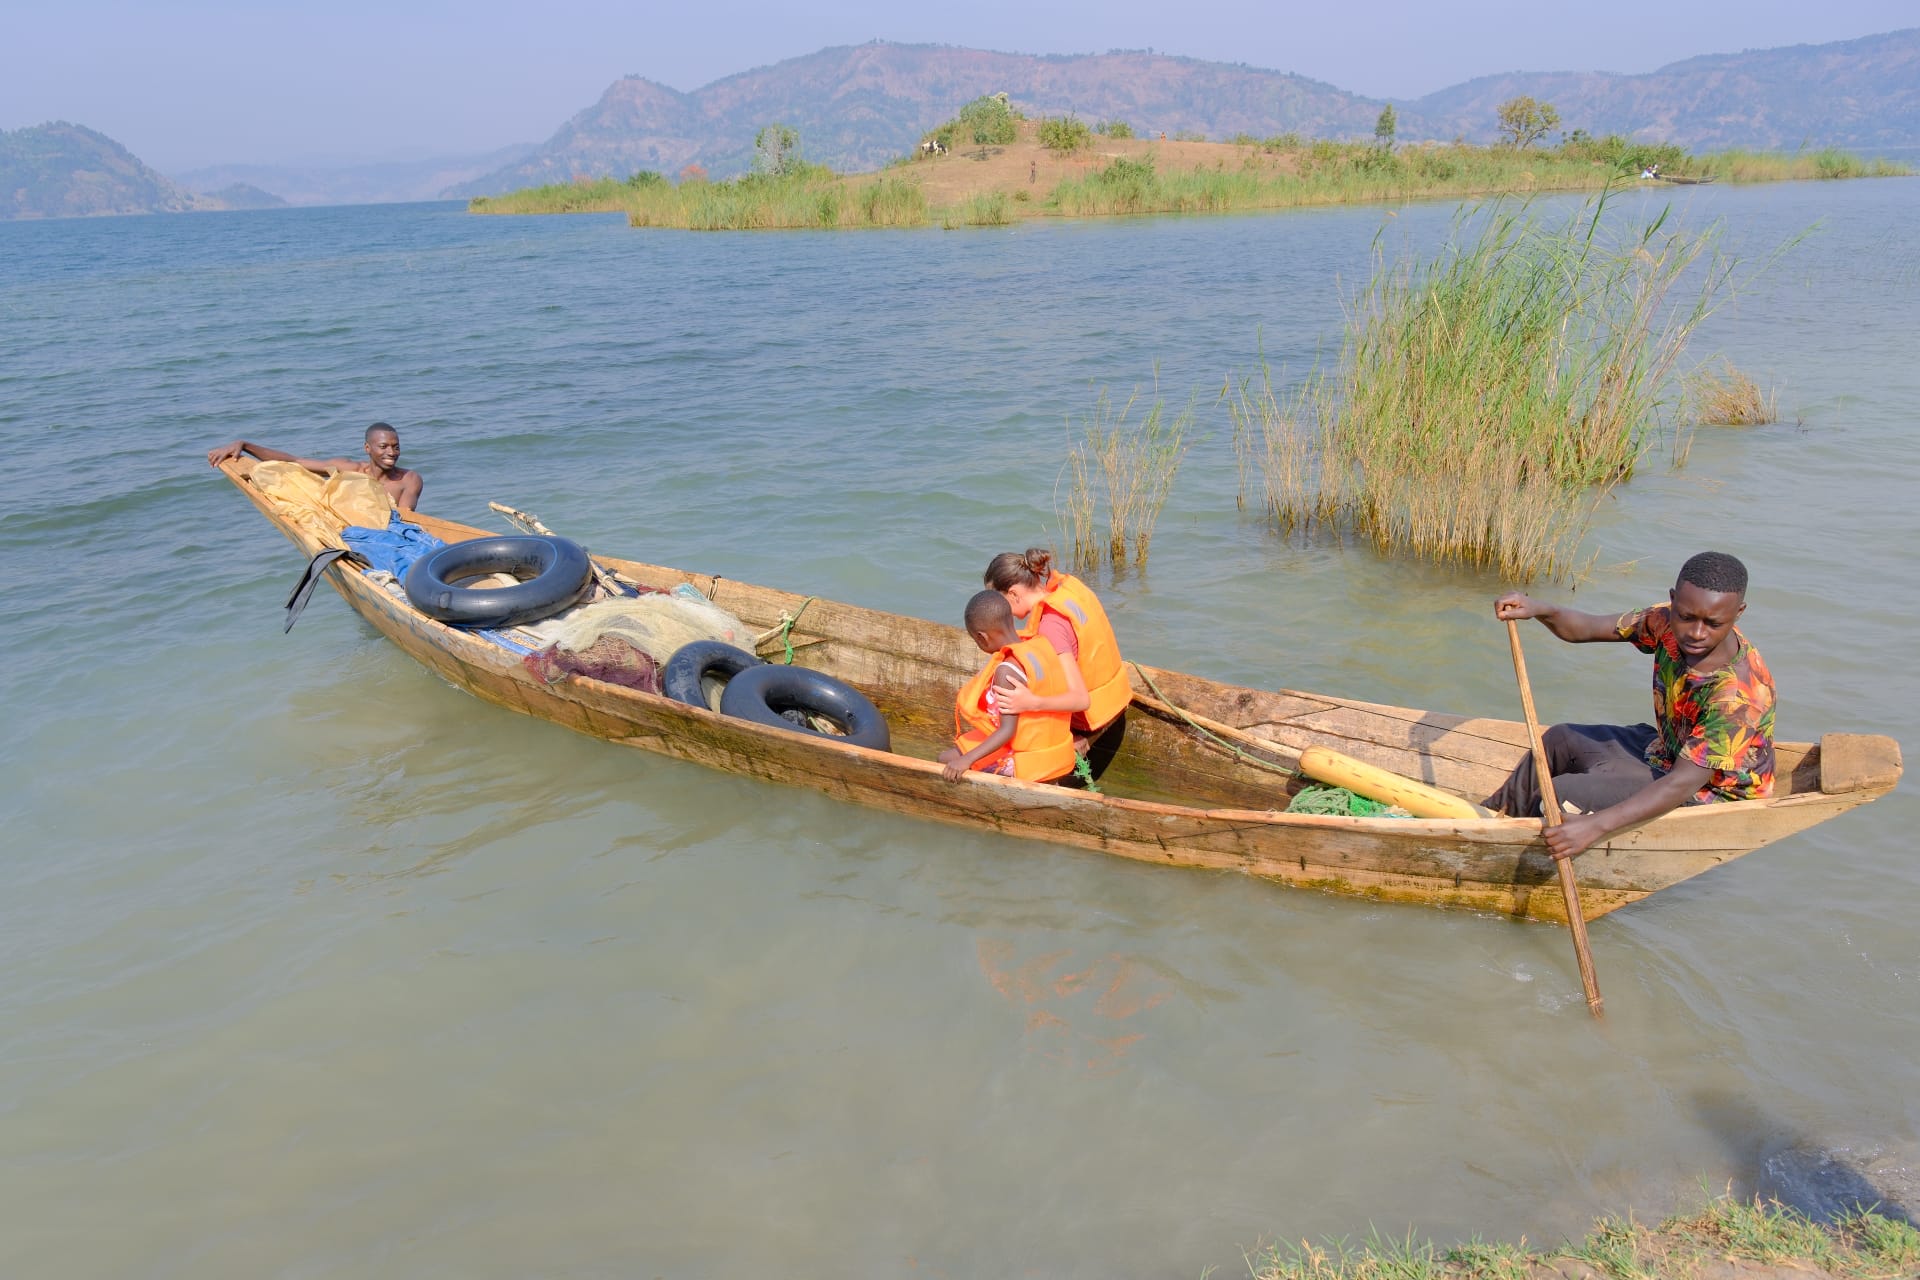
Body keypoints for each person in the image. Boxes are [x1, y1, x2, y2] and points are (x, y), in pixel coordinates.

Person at [1484, 551, 1775, 861]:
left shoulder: (1737, 699)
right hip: (1669, 752)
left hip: (1710, 793)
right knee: (1559, 740)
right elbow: (1587, 628)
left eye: (1713, 623)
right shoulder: (1665, 620)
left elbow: (1681, 784)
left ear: (1738, 613)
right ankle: (1487, 821)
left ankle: (1511, 855)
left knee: (1562, 792)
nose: (1696, 632)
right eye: (1687, 617)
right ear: (1674, 600)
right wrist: (1540, 609)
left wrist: (1594, 827)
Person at [983, 547, 1131, 751]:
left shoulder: (1050, 626)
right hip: (1116, 696)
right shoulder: (1066, 590)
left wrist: (1031, 702)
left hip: (1092, 718)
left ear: (1014, 594)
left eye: (1000, 602)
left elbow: (1081, 700)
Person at [940, 591, 1077, 783]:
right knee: (955, 755)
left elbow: (1007, 731)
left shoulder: (1007, 672)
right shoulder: (1038, 645)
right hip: (1056, 753)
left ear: (982, 638)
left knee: (945, 760)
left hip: (1029, 762)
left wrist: (966, 760)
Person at [206, 422, 422, 508]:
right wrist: (245, 445)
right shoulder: (349, 470)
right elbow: (295, 462)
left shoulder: (408, 480)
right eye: (383, 447)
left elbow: (404, 520)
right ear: (368, 448)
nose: (391, 453)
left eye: (396, 447)